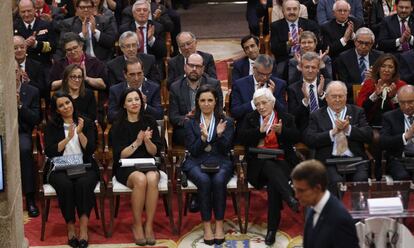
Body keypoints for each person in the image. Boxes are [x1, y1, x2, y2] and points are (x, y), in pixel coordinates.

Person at [239, 87, 300, 246]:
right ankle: (289, 196)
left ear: (272, 103)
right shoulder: (250, 118)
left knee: (274, 182)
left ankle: (271, 229)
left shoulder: (285, 118)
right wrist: (259, 132)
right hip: (257, 165)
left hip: (282, 162)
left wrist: (282, 131)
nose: (261, 107)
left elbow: (297, 137)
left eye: (264, 103)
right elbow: (240, 138)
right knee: (267, 164)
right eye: (257, 104)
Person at [44, 91, 98, 248]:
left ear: (72, 103)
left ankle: (83, 230)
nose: (66, 107)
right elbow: (50, 152)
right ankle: (70, 228)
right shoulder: (51, 126)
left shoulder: (86, 123)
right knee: (66, 186)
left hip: (84, 165)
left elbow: (91, 150)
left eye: (67, 103)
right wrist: (68, 138)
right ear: (56, 110)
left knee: (83, 184)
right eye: (61, 105)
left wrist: (80, 134)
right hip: (60, 168)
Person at [183, 85, 234, 246]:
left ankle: (219, 224)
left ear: (216, 101)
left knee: (219, 181)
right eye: (203, 100)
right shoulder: (190, 122)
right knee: (204, 181)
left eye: (210, 100)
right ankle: (206, 226)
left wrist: (218, 135)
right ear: (197, 102)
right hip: (196, 161)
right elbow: (193, 150)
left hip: (221, 160)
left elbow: (226, 149)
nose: (206, 104)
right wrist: (203, 139)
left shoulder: (227, 121)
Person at [111, 88, 163, 246]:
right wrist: (138, 142)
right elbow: (120, 155)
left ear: (142, 102)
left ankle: (149, 225)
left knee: (152, 178)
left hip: (147, 162)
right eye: (130, 100)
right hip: (125, 166)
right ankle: (137, 224)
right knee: (140, 180)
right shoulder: (118, 124)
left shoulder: (150, 121)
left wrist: (147, 142)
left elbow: (156, 152)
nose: (134, 103)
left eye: (137, 99)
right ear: (124, 105)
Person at [304, 81, 372, 193]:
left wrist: (348, 129)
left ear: (346, 97)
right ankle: (337, 209)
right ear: (326, 97)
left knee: (360, 180)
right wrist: (332, 132)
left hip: (356, 159)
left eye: (340, 96)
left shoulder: (357, 112)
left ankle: (359, 208)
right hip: (329, 160)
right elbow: (310, 139)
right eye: (333, 96)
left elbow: (368, 135)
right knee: (335, 181)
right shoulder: (316, 115)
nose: (337, 100)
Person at [291, 159, 359, 248]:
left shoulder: (340, 220)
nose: (296, 195)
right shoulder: (312, 208)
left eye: (301, 190)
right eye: (295, 189)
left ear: (317, 188)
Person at [169, 53, 222, 146]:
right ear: (185, 67)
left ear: (203, 69)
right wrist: (188, 118)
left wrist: (203, 118)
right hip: (186, 128)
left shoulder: (214, 84)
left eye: (198, 66)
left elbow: (219, 109)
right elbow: (173, 116)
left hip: (209, 124)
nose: (194, 69)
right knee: (182, 135)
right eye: (191, 65)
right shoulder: (175, 87)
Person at [231, 54, 286, 131]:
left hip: (273, 130)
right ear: (254, 69)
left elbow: (284, 113)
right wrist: (255, 102)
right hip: (248, 130)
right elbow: (235, 112)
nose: (265, 78)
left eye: (268, 74)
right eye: (262, 74)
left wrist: (271, 97)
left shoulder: (279, 84)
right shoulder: (239, 85)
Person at [270, 0, 319, 78]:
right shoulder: (276, 26)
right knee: (279, 72)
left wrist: (304, 43)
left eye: (295, 9)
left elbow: (318, 44)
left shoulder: (311, 24)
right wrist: (288, 44)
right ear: (283, 11)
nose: (292, 12)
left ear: (299, 10)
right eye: (288, 9)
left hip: (308, 57)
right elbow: (274, 49)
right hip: (286, 58)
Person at [16, 62, 41, 218]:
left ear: (20, 72)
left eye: (14, 71)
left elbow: (35, 119)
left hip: (22, 132)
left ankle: (30, 198)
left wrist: (20, 105)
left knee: (25, 150)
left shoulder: (31, 91)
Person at [357, 53, 406, 126]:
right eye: (383, 66)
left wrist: (393, 97)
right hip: (371, 124)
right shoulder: (369, 83)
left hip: (396, 124)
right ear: (378, 68)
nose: (386, 70)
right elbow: (361, 109)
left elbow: (405, 110)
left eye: (390, 67)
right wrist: (375, 95)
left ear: (395, 70)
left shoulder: (401, 85)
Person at [108, 57, 163, 122]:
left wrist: (144, 105)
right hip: (125, 127)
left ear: (143, 72)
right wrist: (129, 107)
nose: (136, 78)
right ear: (125, 75)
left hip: (146, 127)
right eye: (132, 75)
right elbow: (111, 116)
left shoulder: (153, 88)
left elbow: (159, 115)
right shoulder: (115, 90)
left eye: (139, 74)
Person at [335, 27, 383, 99]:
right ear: (355, 41)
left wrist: (373, 79)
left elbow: (384, 80)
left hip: (375, 95)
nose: (363, 46)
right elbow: (343, 85)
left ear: (372, 43)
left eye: (367, 43)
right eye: (360, 42)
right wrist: (363, 84)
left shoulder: (379, 56)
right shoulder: (343, 58)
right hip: (352, 97)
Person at [288, 52, 327, 135]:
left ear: (318, 69)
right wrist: (305, 101)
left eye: (313, 67)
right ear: (301, 68)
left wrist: (321, 95)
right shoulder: (293, 89)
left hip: (325, 125)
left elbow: (334, 108)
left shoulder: (327, 85)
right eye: (306, 67)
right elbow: (293, 117)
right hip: (305, 128)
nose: (310, 70)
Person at [380, 85, 414, 180]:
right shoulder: (389, 117)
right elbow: (383, 142)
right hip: (399, 159)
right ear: (398, 101)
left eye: (410, 102)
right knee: (403, 177)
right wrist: (405, 136)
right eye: (402, 103)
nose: (406, 106)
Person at [13, 0, 55, 68]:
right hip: (21, 68)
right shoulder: (14, 27)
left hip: (42, 66)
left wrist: (35, 44)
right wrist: (23, 44)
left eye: (29, 11)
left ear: (35, 9)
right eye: (23, 12)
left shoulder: (46, 25)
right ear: (19, 12)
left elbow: (53, 47)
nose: (26, 14)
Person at [14, 35, 49, 101]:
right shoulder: (5, 68)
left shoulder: (37, 66)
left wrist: (29, 82)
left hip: (31, 105)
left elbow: (43, 91)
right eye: (15, 48)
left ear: (26, 48)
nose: (19, 50)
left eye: (22, 47)